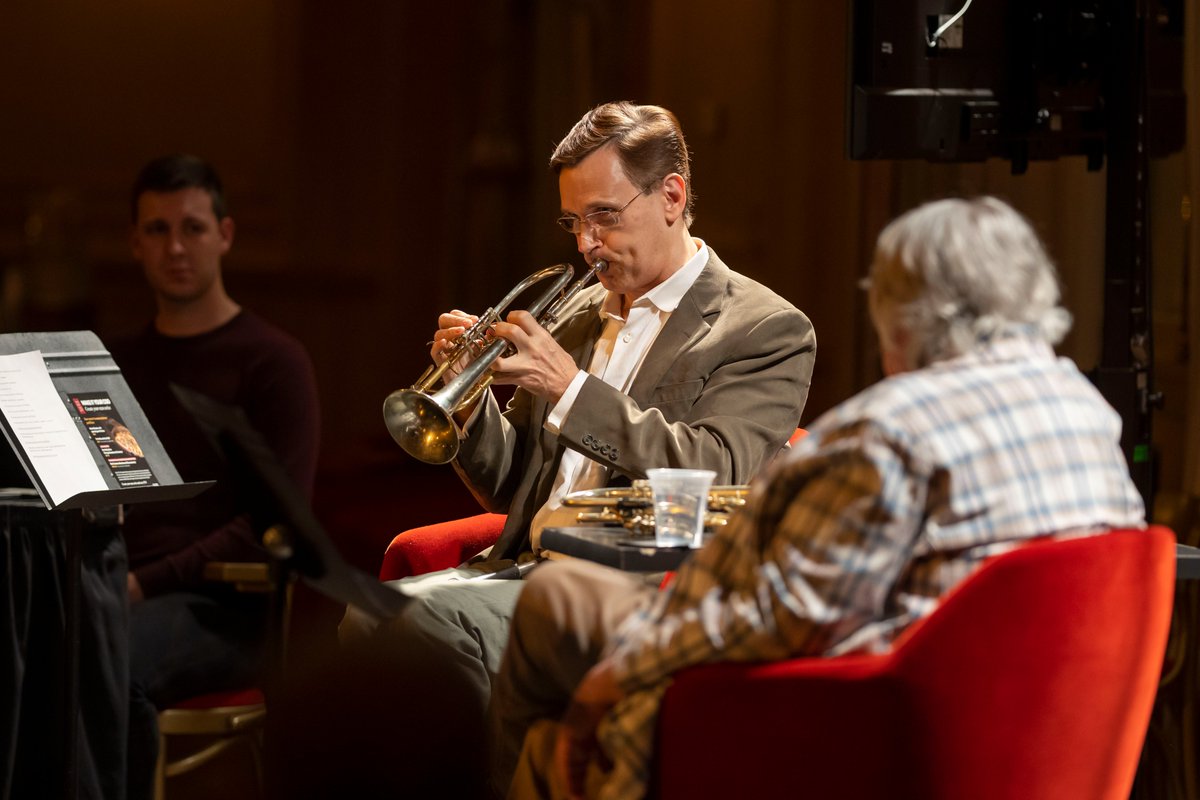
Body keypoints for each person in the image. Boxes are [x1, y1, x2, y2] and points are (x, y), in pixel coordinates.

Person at [494, 196, 1148, 800]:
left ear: (898, 312)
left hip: (833, 724)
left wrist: (619, 673)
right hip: (1016, 736)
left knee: (555, 656)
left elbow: (783, 615)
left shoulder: (892, 431)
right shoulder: (1088, 411)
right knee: (566, 602)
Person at [332, 102, 815, 796]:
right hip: (526, 566)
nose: (587, 244)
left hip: (635, 589)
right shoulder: (582, 311)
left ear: (671, 196)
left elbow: (716, 470)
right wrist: (465, 408)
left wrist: (570, 387)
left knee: (421, 632)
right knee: (365, 619)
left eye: (605, 216)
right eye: (573, 223)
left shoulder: (763, 328)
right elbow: (516, 490)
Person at [110, 154, 321, 800]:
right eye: (157, 230)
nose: (176, 246)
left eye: (193, 228)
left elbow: (275, 526)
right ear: (135, 244)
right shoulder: (117, 363)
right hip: (116, 592)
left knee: (102, 663)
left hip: (226, 609)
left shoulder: (273, 362)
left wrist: (144, 583)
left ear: (224, 235)